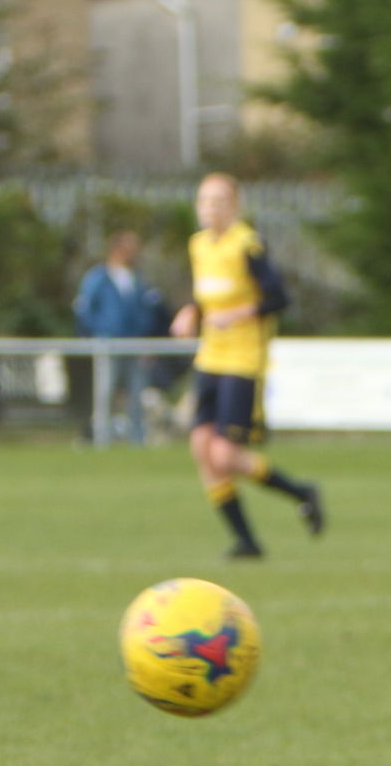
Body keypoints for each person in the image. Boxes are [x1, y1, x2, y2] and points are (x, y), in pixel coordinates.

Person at [170, 173, 324, 560]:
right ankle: (247, 542)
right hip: (210, 357)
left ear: (235, 206)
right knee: (201, 448)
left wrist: (237, 314)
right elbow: (208, 295)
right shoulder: (198, 245)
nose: (211, 208)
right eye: (204, 200)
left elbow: (278, 298)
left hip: (242, 360)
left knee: (223, 455)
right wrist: (192, 312)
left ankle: (301, 492)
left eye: (220, 200)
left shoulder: (247, 244)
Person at [74, 230, 168, 445]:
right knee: (105, 391)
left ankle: (137, 438)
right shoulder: (98, 278)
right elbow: (85, 310)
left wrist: (147, 339)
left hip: (134, 345)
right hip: (108, 343)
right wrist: (97, 334)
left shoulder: (138, 279)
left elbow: (148, 312)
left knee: (137, 393)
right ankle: (102, 437)